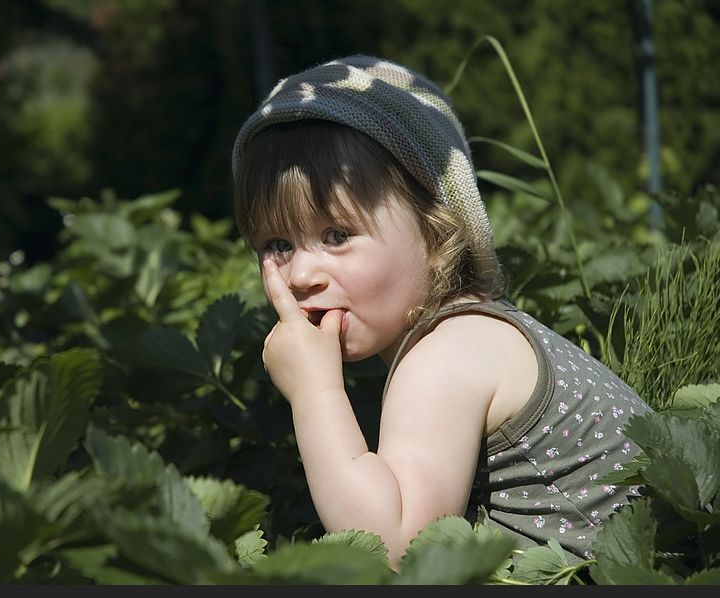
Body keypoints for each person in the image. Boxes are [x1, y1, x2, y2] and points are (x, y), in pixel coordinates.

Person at [230, 55, 650, 568]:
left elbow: (400, 548)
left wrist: (315, 393)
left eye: (337, 236)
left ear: (436, 233)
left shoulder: (444, 355)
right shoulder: (472, 330)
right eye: (278, 243)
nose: (300, 276)